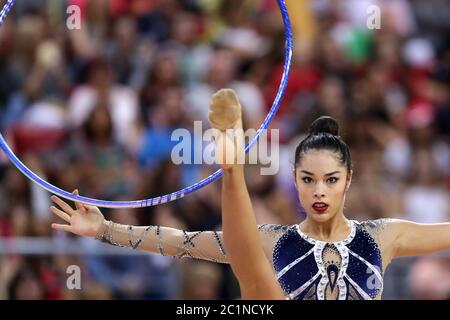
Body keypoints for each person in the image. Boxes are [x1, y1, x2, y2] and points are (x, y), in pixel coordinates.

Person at [51, 90, 450, 300]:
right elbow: (179, 242)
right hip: (261, 275)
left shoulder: (383, 235)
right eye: (308, 180)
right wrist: (104, 229)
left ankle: (231, 165)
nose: (319, 191)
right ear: (295, 181)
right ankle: (231, 168)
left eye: (331, 180)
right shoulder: (274, 240)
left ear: (349, 180)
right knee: (257, 277)